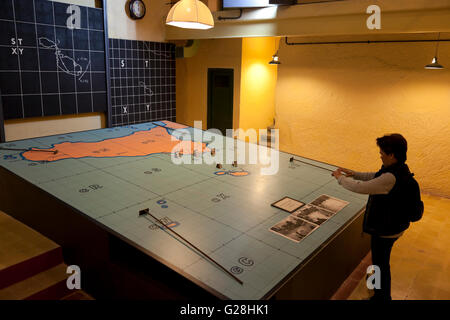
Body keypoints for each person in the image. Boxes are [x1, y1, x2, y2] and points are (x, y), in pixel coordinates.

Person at [332, 133, 412, 301]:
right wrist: (353, 173)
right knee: (379, 261)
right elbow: (375, 176)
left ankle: (381, 296)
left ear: (391, 154)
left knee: (381, 263)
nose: (380, 155)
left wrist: (340, 179)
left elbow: (362, 188)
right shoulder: (399, 169)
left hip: (386, 230)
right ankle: (377, 287)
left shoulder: (391, 177)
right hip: (394, 226)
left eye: (382, 152)